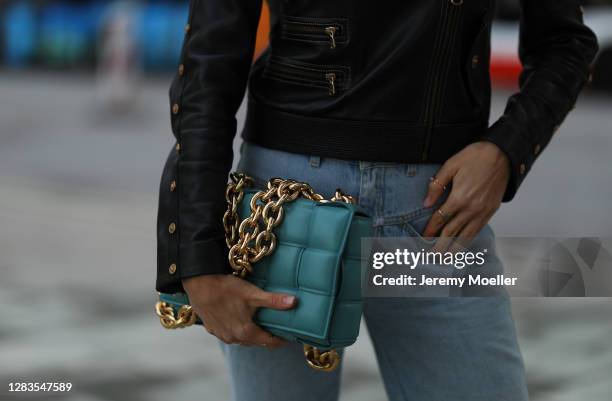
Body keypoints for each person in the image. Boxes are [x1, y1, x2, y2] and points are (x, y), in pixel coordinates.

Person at [156, 1, 598, 400]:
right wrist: (197, 257)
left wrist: (507, 149)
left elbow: (566, 42)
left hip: (438, 217)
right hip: (281, 213)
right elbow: (208, 64)